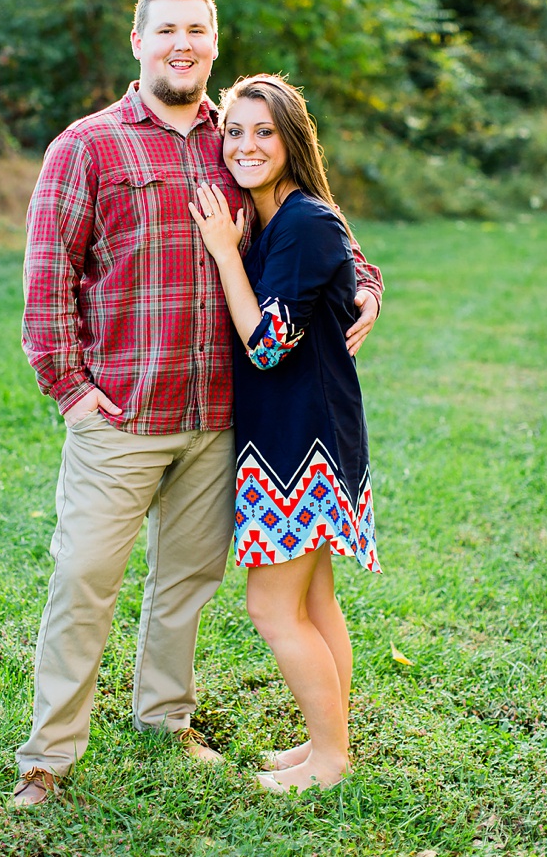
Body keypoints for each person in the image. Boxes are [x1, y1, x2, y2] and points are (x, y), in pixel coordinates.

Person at [15, 0, 384, 807]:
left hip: (225, 415)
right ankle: (49, 753)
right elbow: (47, 281)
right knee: (83, 578)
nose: (183, 44)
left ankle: (165, 717)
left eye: (198, 31)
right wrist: (69, 388)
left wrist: (367, 285)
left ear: (213, 44)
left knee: (186, 585)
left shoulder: (241, 135)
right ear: (138, 42)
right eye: (167, 30)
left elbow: (321, 230)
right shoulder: (88, 147)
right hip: (124, 412)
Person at [188, 74, 376, 793]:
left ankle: (329, 761)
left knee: (271, 606)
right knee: (313, 602)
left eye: (263, 132)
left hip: (305, 448)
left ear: (293, 141)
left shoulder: (303, 221)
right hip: (293, 436)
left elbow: (268, 343)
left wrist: (224, 253)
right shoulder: (273, 219)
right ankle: (328, 744)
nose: (245, 145)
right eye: (234, 131)